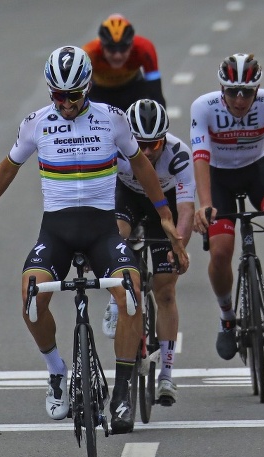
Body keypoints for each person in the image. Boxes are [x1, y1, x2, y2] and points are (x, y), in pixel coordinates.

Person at [0, 46, 188, 435]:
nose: (64, 104)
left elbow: (142, 165)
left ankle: (123, 394)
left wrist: (163, 212)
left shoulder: (113, 120)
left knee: (130, 292)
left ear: (87, 88)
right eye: (56, 95)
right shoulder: (36, 124)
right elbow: (7, 169)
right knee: (30, 295)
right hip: (56, 232)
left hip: (102, 231)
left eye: (72, 95)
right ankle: (57, 372)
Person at [190, 53, 264, 361]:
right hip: (218, 178)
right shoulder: (204, 107)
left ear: (258, 89)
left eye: (247, 92)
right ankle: (227, 317)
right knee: (220, 250)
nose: (240, 99)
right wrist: (205, 205)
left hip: (256, 169)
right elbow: (200, 157)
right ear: (221, 88)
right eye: (232, 91)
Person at [100, 99, 194, 406]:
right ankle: (115, 300)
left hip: (162, 207)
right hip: (126, 197)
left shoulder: (178, 155)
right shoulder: (114, 148)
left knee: (165, 291)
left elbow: (185, 209)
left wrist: (180, 247)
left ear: (164, 138)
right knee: (116, 236)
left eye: (155, 143)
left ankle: (166, 374)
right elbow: (99, 194)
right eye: (141, 144)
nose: (150, 151)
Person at [82, 13, 166, 112]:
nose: (117, 56)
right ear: (102, 46)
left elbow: (156, 93)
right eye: (111, 50)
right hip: (100, 94)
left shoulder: (144, 49)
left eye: (123, 49)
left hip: (132, 91)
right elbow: (79, 93)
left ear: (131, 45)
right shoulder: (90, 53)